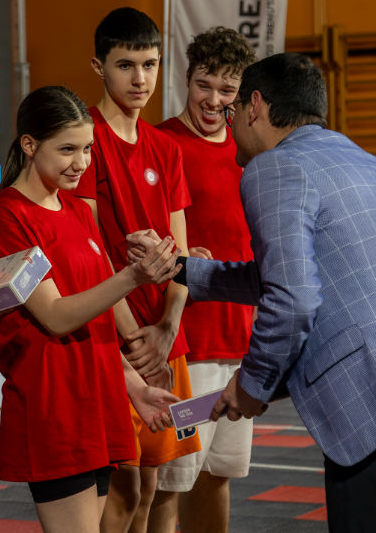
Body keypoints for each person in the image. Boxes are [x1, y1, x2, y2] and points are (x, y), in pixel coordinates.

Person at [130, 52, 376, 532]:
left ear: (256, 106)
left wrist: (252, 385)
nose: (230, 122)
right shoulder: (363, 160)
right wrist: (182, 270)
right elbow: (302, 276)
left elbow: (293, 298)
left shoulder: (273, 167)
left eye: (235, 108)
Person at [0, 85, 182, 533]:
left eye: (87, 149)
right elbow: (56, 316)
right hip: (55, 405)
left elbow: (96, 319)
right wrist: (133, 277)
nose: (81, 163)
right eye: (67, 149)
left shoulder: (76, 210)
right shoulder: (7, 218)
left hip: (97, 399)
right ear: (29, 145)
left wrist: (134, 386)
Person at [72, 7, 200, 533]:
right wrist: (133, 338)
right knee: (121, 491)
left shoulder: (166, 148)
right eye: (126, 65)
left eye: (150, 64)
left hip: (166, 337)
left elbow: (182, 255)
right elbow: (87, 250)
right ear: (99, 66)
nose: (140, 78)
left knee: (152, 487)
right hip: (114, 339)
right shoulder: (84, 140)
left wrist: (166, 327)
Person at [153, 27, 256, 533]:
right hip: (185, 342)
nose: (214, 100)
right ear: (186, 80)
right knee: (169, 483)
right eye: (204, 85)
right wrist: (177, 256)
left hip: (241, 341)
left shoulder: (251, 149)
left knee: (218, 475)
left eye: (227, 89)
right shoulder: (160, 144)